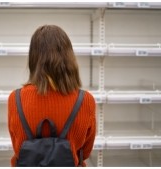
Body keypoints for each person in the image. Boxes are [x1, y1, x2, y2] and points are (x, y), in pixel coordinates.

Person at [8, 25, 96, 167]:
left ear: (33, 58)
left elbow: (18, 148)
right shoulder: (85, 100)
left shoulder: (15, 98)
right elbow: (84, 153)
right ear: (69, 58)